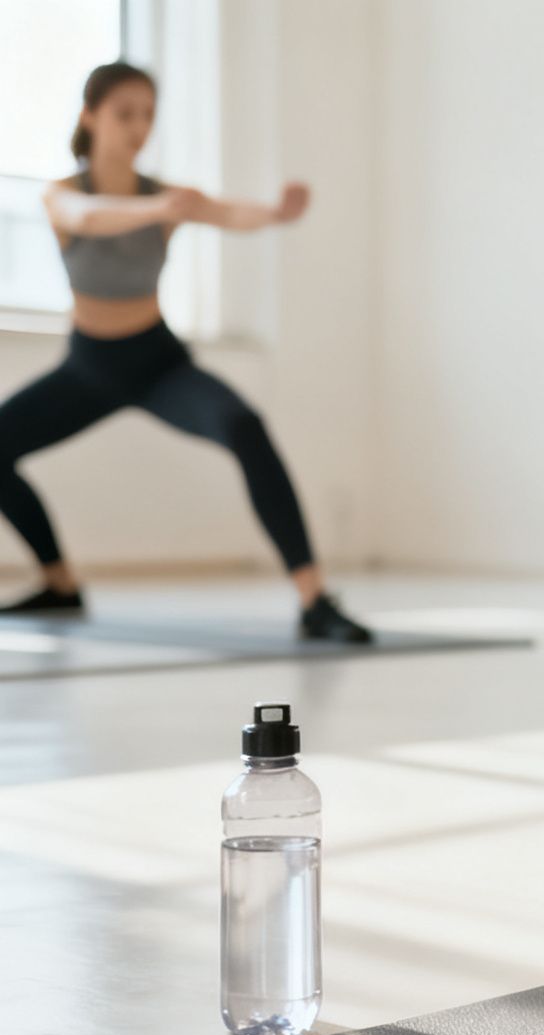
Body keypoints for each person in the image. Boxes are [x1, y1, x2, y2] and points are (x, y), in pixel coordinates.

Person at [2, 61, 371, 644]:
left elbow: (227, 213)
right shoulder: (65, 194)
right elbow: (87, 217)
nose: (138, 128)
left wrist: (275, 213)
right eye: (125, 114)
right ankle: (60, 584)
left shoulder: (166, 198)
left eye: (147, 115)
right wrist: (159, 210)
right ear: (90, 116)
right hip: (87, 368)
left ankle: (314, 600)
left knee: (245, 425)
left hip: (158, 365)